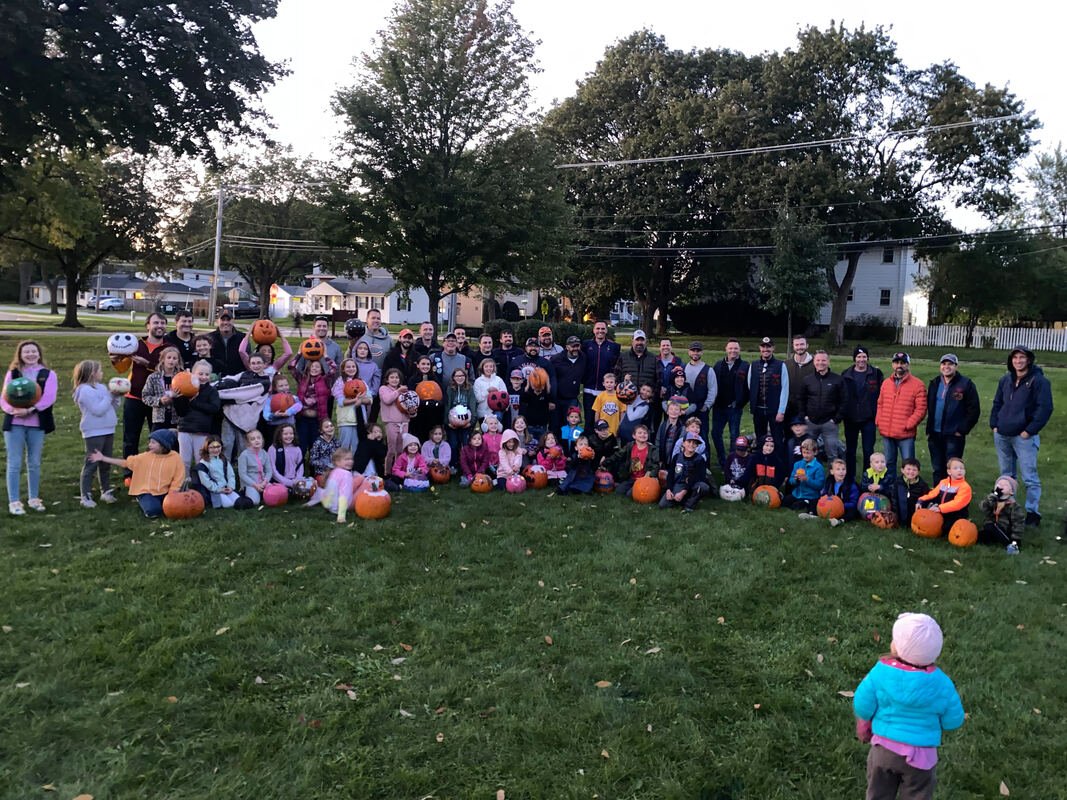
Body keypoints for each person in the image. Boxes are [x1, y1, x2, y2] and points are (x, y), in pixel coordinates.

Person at [853, 612, 964, 800]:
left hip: (884, 750)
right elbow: (953, 721)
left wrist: (865, 724)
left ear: (896, 648)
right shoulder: (942, 683)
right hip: (921, 759)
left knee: (878, 794)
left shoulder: (880, 672)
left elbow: (862, 705)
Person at [989, 344, 1054, 527]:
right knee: (1006, 476)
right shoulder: (1005, 380)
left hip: (1023, 436)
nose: (1018, 361)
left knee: (1029, 477)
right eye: (1015, 358)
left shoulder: (1039, 381)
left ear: (1029, 360)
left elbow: (1045, 408)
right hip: (1002, 434)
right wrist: (994, 424)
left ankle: (1033, 513)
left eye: (1022, 357)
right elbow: (997, 402)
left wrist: (1029, 430)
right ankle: (1008, 509)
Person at [2, 340, 59, 516]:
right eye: (26, 352)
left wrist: (30, 410)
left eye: (33, 351)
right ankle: (14, 501)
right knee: (14, 462)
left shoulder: (48, 374)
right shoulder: (13, 373)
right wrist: (13, 410)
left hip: (36, 424)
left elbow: (49, 397)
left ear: (39, 354)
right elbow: (4, 397)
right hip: (15, 424)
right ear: (20, 355)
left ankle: (34, 498)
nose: (30, 354)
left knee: (34, 462)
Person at [88, 429, 185, 518]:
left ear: (163, 445)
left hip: (165, 491)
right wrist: (103, 458)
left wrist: (172, 492)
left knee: (172, 509)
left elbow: (178, 477)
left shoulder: (175, 458)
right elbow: (125, 463)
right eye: (150, 442)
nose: (149, 445)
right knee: (154, 511)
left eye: (153, 443)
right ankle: (143, 499)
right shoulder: (144, 457)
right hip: (147, 492)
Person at [114, 312, 167, 471]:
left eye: (162, 323)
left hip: (157, 399)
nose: (159, 326)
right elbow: (121, 368)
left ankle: (156, 470)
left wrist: (147, 364)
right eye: (156, 323)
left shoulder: (169, 347)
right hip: (134, 397)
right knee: (130, 438)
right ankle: (129, 472)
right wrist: (115, 360)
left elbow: (170, 370)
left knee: (158, 438)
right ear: (148, 326)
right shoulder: (135, 344)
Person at [72, 360, 122, 508]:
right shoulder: (83, 390)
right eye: (99, 371)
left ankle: (105, 491)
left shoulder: (101, 387)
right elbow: (98, 410)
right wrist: (109, 396)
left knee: (105, 462)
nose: (102, 373)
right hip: (94, 431)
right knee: (92, 462)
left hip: (108, 428)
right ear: (92, 373)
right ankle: (85, 495)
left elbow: (111, 407)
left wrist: (116, 396)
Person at [925, 354, 980, 483]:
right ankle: (938, 492)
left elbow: (974, 410)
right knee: (937, 468)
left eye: (950, 364)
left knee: (953, 468)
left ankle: (953, 493)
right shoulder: (935, 383)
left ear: (956, 366)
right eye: (944, 364)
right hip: (935, 433)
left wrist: (961, 430)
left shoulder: (966, 384)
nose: (946, 367)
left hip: (953, 435)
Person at [876, 352, 927, 478]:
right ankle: (891, 487)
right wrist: (879, 421)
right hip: (887, 432)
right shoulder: (886, 383)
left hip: (905, 433)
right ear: (893, 364)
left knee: (909, 465)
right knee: (889, 463)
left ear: (908, 365)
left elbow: (921, 409)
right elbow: (880, 403)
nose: (899, 365)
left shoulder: (918, 384)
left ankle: (910, 487)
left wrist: (908, 424)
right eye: (897, 362)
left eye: (903, 363)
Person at [172, 360, 222, 476]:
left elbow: (214, 408)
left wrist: (194, 402)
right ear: (193, 374)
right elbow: (181, 412)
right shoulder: (185, 388)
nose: (203, 377)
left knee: (201, 459)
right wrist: (177, 398)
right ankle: (184, 480)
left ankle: (202, 481)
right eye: (200, 374)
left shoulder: (212, 391)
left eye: (207, 374)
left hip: (201, 431)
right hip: (185, 429)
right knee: (184, 459)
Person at [841, 346, 884, 483]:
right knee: (850, 450)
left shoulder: (876, 374)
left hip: (868, 418)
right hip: (850, 418)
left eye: (864, 356)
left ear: (868, 358)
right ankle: (850, 479)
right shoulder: (846, 374)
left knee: (868, 450)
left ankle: (868, 478)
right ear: (854, 359)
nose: (861, 359)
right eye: (859, 357)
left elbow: (882, 395)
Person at [799, 350, 846, 460]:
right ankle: (809, 471)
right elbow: (801, 399)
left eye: (823, 360)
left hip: (830, 423)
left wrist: (836, 419)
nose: (821, 363)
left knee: (832, 454)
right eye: (818, 360)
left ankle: (833, 471)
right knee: (807, 453)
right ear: (814, 362)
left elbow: (844, 401)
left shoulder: (838, 380)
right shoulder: (807, 380)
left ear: (828, 362)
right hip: (810, 422)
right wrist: (804, 416)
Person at [710, 339, 749, 469]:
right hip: (719, 407)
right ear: (726, 349)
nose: (733, 351)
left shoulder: (745, 366)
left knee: (734, 435)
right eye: (731, 348)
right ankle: (722, 460)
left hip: (735, 408)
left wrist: (740, 403)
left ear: (739, 350)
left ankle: (733, 461)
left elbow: (748, 388)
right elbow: (712, 384)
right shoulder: (718, 365)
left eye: (736, 348)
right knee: (715, 433)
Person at [748, 336, 789, 448]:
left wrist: (781, 411)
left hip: (774, 410)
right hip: (758, 410)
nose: (766, 349)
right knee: (760, 438)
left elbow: (785, 389)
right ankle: (761, 458)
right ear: (760, 348)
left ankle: (778, 458)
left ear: (773, 348)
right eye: (763, 347)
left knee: (777, 439)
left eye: (768, 347)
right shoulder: (754, 365)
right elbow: (750, 385)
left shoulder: (781, 365)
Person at [291, 357, 337, 454]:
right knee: (302, 444)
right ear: (308, 368)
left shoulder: (325, 380)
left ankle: (314, 463)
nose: (314, 368)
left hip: (318, 419)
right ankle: (301, 463)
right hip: (302, 418)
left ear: (321, 370)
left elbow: (333, 369)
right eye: (312, 366)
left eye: (317, 367)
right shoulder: (302, 379)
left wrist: (325, 356)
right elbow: (291, 367)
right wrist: (299, 354)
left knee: (315, 445)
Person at [581, 321, 620, 431]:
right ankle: (589, 440)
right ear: (593, 330)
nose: (600, 331)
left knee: (604, 420)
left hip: (606, 390)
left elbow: (617, 367)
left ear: (606, 330)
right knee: (589, 419)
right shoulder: (586, 345)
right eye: (598, 328)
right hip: (589, 389)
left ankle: (604, 440)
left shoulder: (614, 347)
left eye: (603, 329)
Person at [659, 432, 711, 512]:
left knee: (703, 487)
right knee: (663, 505)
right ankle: (681, 500)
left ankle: (689, 505)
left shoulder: (700, 460)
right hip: (679, 484)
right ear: (683, 443)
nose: (691, 445)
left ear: (697, 445)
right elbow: (670, 475)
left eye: (695, 443)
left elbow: (697, 478)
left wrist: (683, 492)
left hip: (692, 486)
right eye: (689, 442)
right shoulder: (677, 457)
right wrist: (669, 489)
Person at [917, 457, 972, 531]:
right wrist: (921, 500)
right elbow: (933, 494)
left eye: (962, 468)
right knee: (926, 520)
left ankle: (963, 523)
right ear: (949, 472)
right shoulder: (943, 482)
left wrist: (940, 508)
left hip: (956, 514)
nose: (959, 470)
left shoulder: (965, 487)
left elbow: (957, 503)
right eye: (955, 468)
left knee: (944, 529)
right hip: (942, 511)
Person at [604, 423, 658, 496]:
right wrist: (605, 462)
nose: (643, 435)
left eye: (645, 433)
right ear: (634, 436)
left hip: (644, 479)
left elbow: (656, 465)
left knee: (630, 494)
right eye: (640, 433)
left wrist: (650, 474)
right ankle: (626, 485)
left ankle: (632, 489)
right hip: (632, 478)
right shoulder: (630, 446)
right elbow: (618, 455)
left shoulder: (652, 449)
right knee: (619, 491)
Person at [800, 458, 857, 526]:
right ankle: (811, 514)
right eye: (838, 469)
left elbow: (853, 503)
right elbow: (824, 495)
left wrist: (840, 504)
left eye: (843, 469)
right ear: (832, 472)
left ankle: (839, 521)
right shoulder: (829, 482)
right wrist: (826, 501)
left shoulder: (851, 485)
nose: (841, 472)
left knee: (853, 511)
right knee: (815, 500)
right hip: (829, 504)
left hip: (843, 507)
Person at [307, 447, 356, 523]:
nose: (350, 461)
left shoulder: (334, 471)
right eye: (347, 459)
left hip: (329, 505)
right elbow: (344, 495)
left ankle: (317, 497)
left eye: (351, 459)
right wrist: (341, 515)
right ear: (337, 462)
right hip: (337, 508)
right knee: (362, 485)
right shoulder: (346, 474)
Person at [140, 346, 182, 432]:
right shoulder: (153, 377)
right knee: (157, 439)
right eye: (169, 357)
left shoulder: (181, 378)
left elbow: (187, 396)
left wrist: (176, 398)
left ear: (178, 361)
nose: (171, 360)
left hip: (177, 419)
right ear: (163, 359)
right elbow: (145, 396)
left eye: (174, 358)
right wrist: (159, 401)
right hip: (159, 419)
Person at [550, 336, 586, 434]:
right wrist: (550, 398)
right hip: (557, 398)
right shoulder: (556, 359)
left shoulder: (583, 358)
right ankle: (555, 443)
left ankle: (570, 443)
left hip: (572, 398)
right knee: (555, 425)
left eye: (577, 346)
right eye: (573, 346)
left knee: (571, 424)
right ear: (567, 347)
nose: (575, 348)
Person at [979, 475, 1027, 549]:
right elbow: (984, 508)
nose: (1001, 486)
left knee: (992, 527)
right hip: (990, 527)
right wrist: (992, 497)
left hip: (1004, 529)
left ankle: (1009, 544)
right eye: (999, 484)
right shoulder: (993, 500)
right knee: (982, 534)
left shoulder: (1013, 506)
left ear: (1011, 492)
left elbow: (1018, 522)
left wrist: (1016, 538)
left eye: (1005, 485)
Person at [681, 341, 717, 440]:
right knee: (686, 434)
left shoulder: (708, 370)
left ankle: (704, 450)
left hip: (701, 408)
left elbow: (712, 389)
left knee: (703, 434)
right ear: (689, 352)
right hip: (687, 408)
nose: (695, 353)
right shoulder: (684, 368)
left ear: (702, 352)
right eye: (693, 350)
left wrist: (706, 406)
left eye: (698, 351)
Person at [378, 368, 409, 473]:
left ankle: (398, 472)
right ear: (387, 379)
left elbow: (408, 405)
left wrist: (412, 412)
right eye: (392, 377)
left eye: (397, 377)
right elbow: (387, 400)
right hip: (391, 422)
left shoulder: (404, 391)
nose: (395, 379)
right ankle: (387, 472)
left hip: (404, 423)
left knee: (401, 450)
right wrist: (398, 391)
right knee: (391, 450)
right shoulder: (383, 389)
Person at [194, 436, 238, 509]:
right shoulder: (203, 464)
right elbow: (206, 482)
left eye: (218, 446)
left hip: (226, 488)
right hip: (214, 491)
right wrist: (219, 490)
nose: (216, 450)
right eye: (212, 447)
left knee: (238, 501)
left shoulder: (223, 459)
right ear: (206, 448)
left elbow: (231, 475)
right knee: (229, 504)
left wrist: (230, 486)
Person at [445, 367, 475, 469]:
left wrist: (471, 422)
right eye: (457, 376)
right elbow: (447, 405)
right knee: (453, 443)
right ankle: (454, 464)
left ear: (465, 377)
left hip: (466, 421)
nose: (460, 378)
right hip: (452, 422)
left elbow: (473, 404)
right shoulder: (450, 389)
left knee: (466, 444)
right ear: (453, 377)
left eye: (462, 376)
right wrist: (447, 422)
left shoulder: (469, 389)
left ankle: (467, 465)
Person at [785, 438, 824, 512]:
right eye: (804, 452)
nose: (805, 455)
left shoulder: (818, 467)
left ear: (815, 452)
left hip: (811, 496)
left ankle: (806, 503)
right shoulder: (797, 464)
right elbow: (791, 481)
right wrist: (796, 480)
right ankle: (802, 503)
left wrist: (807, 479)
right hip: (797, 494)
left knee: (797, 506)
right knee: (785, 501)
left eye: (808, 453)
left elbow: (819, 485)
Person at [237, 429, 275, 505]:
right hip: (250, 483)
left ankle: (262, 493)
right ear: (248, 443)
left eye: (258, 438)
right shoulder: (244, 455)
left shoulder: (264, 453)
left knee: (275, 494)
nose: (256, 440)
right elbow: (242, 474)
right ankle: (246, 493)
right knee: (255, 501)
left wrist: (265, 482)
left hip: (263, 482)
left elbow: (269, 471)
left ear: (262, 440)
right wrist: (255, 485)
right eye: (253, 439)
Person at [784, 333, 814, 423]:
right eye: (796, 345)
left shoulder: (816, 364)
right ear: (793, 346)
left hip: (808, 410)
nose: (799, 347)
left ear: (807, 345)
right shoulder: (786, 364)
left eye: (802, 344)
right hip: (789, 409)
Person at [891, 458, 929, 530]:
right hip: (900, 514)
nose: (911, 472)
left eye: (914, 470)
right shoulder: (897, 483)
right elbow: (894, 500)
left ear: (918, 472)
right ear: (902, 470)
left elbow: (925, 500)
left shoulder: (923, 486)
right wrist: (895, 515)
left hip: (916, 516)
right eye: (908, 469)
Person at [267, 423, 305, 493]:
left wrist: (298, 479)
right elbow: (273, 471)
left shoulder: (297, 448)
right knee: (280, 493)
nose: (289, 436)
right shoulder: (273, 449)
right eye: (285, 434)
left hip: (294, 480)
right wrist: (289, 483)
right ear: (279, 435)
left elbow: (300, 466)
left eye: (291, 433)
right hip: (279, 481)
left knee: (310, 485)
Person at [208, 310, 245, 378]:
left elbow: (247, 359)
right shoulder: (209, 338)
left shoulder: (242, 338)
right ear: (217, 321)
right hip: (216, 378)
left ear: (233, 321)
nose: (225, 322)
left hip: (238, 378)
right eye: (223, 320)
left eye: (228, 320)